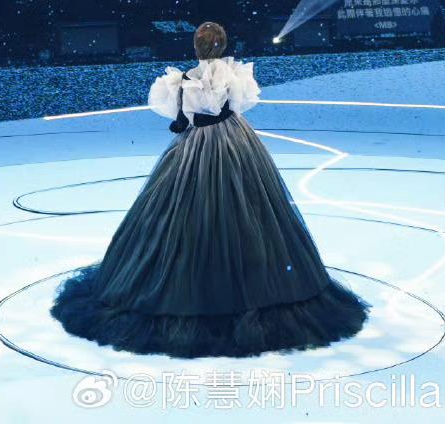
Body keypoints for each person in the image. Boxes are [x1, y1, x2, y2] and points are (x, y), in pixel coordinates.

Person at [50, 21, 369, 358]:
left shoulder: (182, 81)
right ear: (223, 45)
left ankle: (186, 284)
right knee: (248, 207)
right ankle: (252, 285)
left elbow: (180, 117)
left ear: (195, 46)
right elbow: (237, 106)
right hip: (236, 143)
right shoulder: (231, 77)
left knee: (183, 210)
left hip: (194, 146)